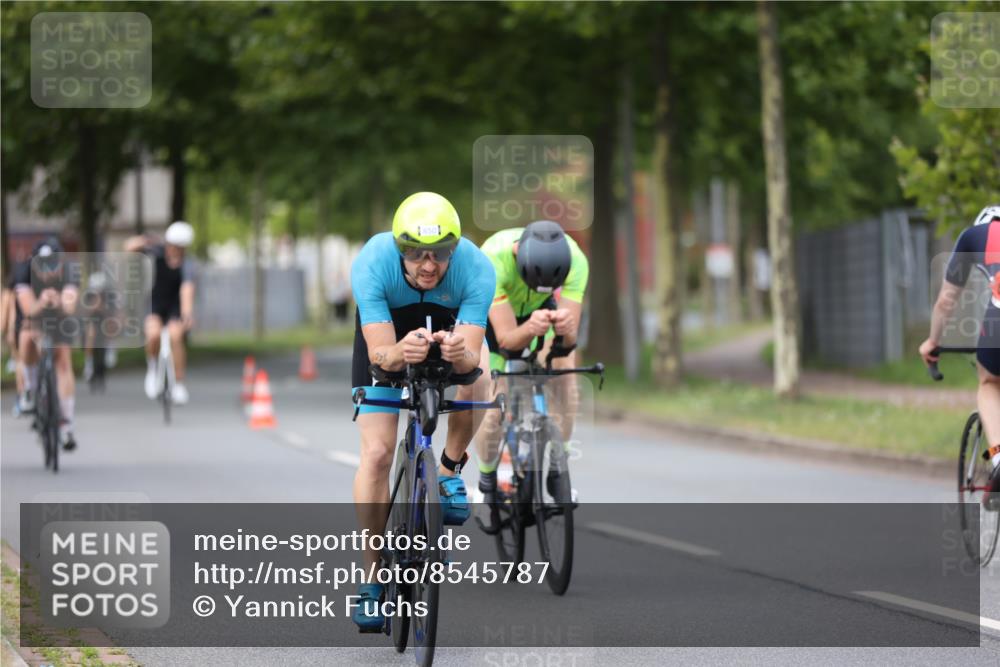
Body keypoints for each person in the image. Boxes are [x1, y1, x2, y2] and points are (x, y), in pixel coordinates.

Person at [349, 192, 495, 630]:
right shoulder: (373, 262)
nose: (428, 264)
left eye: (439, 253)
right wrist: (399, 352)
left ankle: (449, 472)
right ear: (399, 249)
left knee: (481, 377)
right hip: (390, 340)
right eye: (415, 253)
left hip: (448, 332)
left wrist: (460, 354)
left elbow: (470, 362)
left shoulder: (476, 269)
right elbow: (379, 357)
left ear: (455, 249)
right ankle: (373, 580)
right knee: (377, 454)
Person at [474, 220, 589, 523]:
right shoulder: (492, 260)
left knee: (565, 375)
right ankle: (487, 482)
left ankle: (556, 465)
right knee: (495, 404)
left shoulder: (576, 261)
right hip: (497, 322)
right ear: (516, 255)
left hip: (542, 316)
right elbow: (507, 340)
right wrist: (528, 328)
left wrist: (565, 332)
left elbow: (567, 343)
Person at [920, 205, 1000, 498]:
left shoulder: (974, 236)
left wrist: (932, 341)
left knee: (989, 382)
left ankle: (999, 456)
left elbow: (946, 301)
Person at [12, 237, 80, 449]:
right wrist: (41, 301)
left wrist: (59, 300)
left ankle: (66, 424)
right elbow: (28, 310)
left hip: (59, 318)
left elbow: (69, 308)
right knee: (26, 337)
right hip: (33, 316)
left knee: (63, 362)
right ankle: (30, 390)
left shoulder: (69, 272)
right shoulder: (23, 272)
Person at [125, 221, 196, 404]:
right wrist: (145, 240)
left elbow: (187, 289)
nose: (176, 250)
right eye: (173, 246)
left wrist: (187, 313)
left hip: (175, 306)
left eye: (180, 248)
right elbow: (129, 248)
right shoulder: (156, 252)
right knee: (153, 334)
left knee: (175, 336)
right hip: (155, 303)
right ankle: (153, 367)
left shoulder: (188, 264)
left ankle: (179, 383)